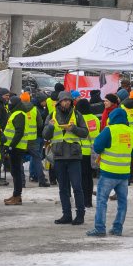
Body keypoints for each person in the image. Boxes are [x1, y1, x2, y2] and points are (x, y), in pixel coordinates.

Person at [87, 107, 133, 237]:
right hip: (124, 173)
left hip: (108, 172)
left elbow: (97, 146)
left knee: (101, 200)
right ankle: (117, 228)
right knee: (122, 202)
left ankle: (100, 228)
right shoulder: (131, 132)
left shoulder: (109, 130)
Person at [42, 91, 90, 225]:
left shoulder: (77, 115)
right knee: (63, 188)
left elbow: (85, 132)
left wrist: (73, 128)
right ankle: (66, 214)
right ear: (59, 102)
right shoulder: (52, 115)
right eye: (64, 100)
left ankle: (80, 215)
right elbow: (45, 135)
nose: (67, 102)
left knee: (77, 187)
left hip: (74, 156)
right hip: (59, 156)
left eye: (69, 100)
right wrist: (50, 127)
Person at [2, 95, 30, 206]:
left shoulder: (19, 114)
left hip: (17, 148)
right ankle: (15, 195)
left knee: (16, 172)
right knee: (14, 172)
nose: (9, 105)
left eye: (10, 103)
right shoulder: (15, 113)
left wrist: (11, 146)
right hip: (14, 147)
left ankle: (17, 196)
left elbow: (19, 132)